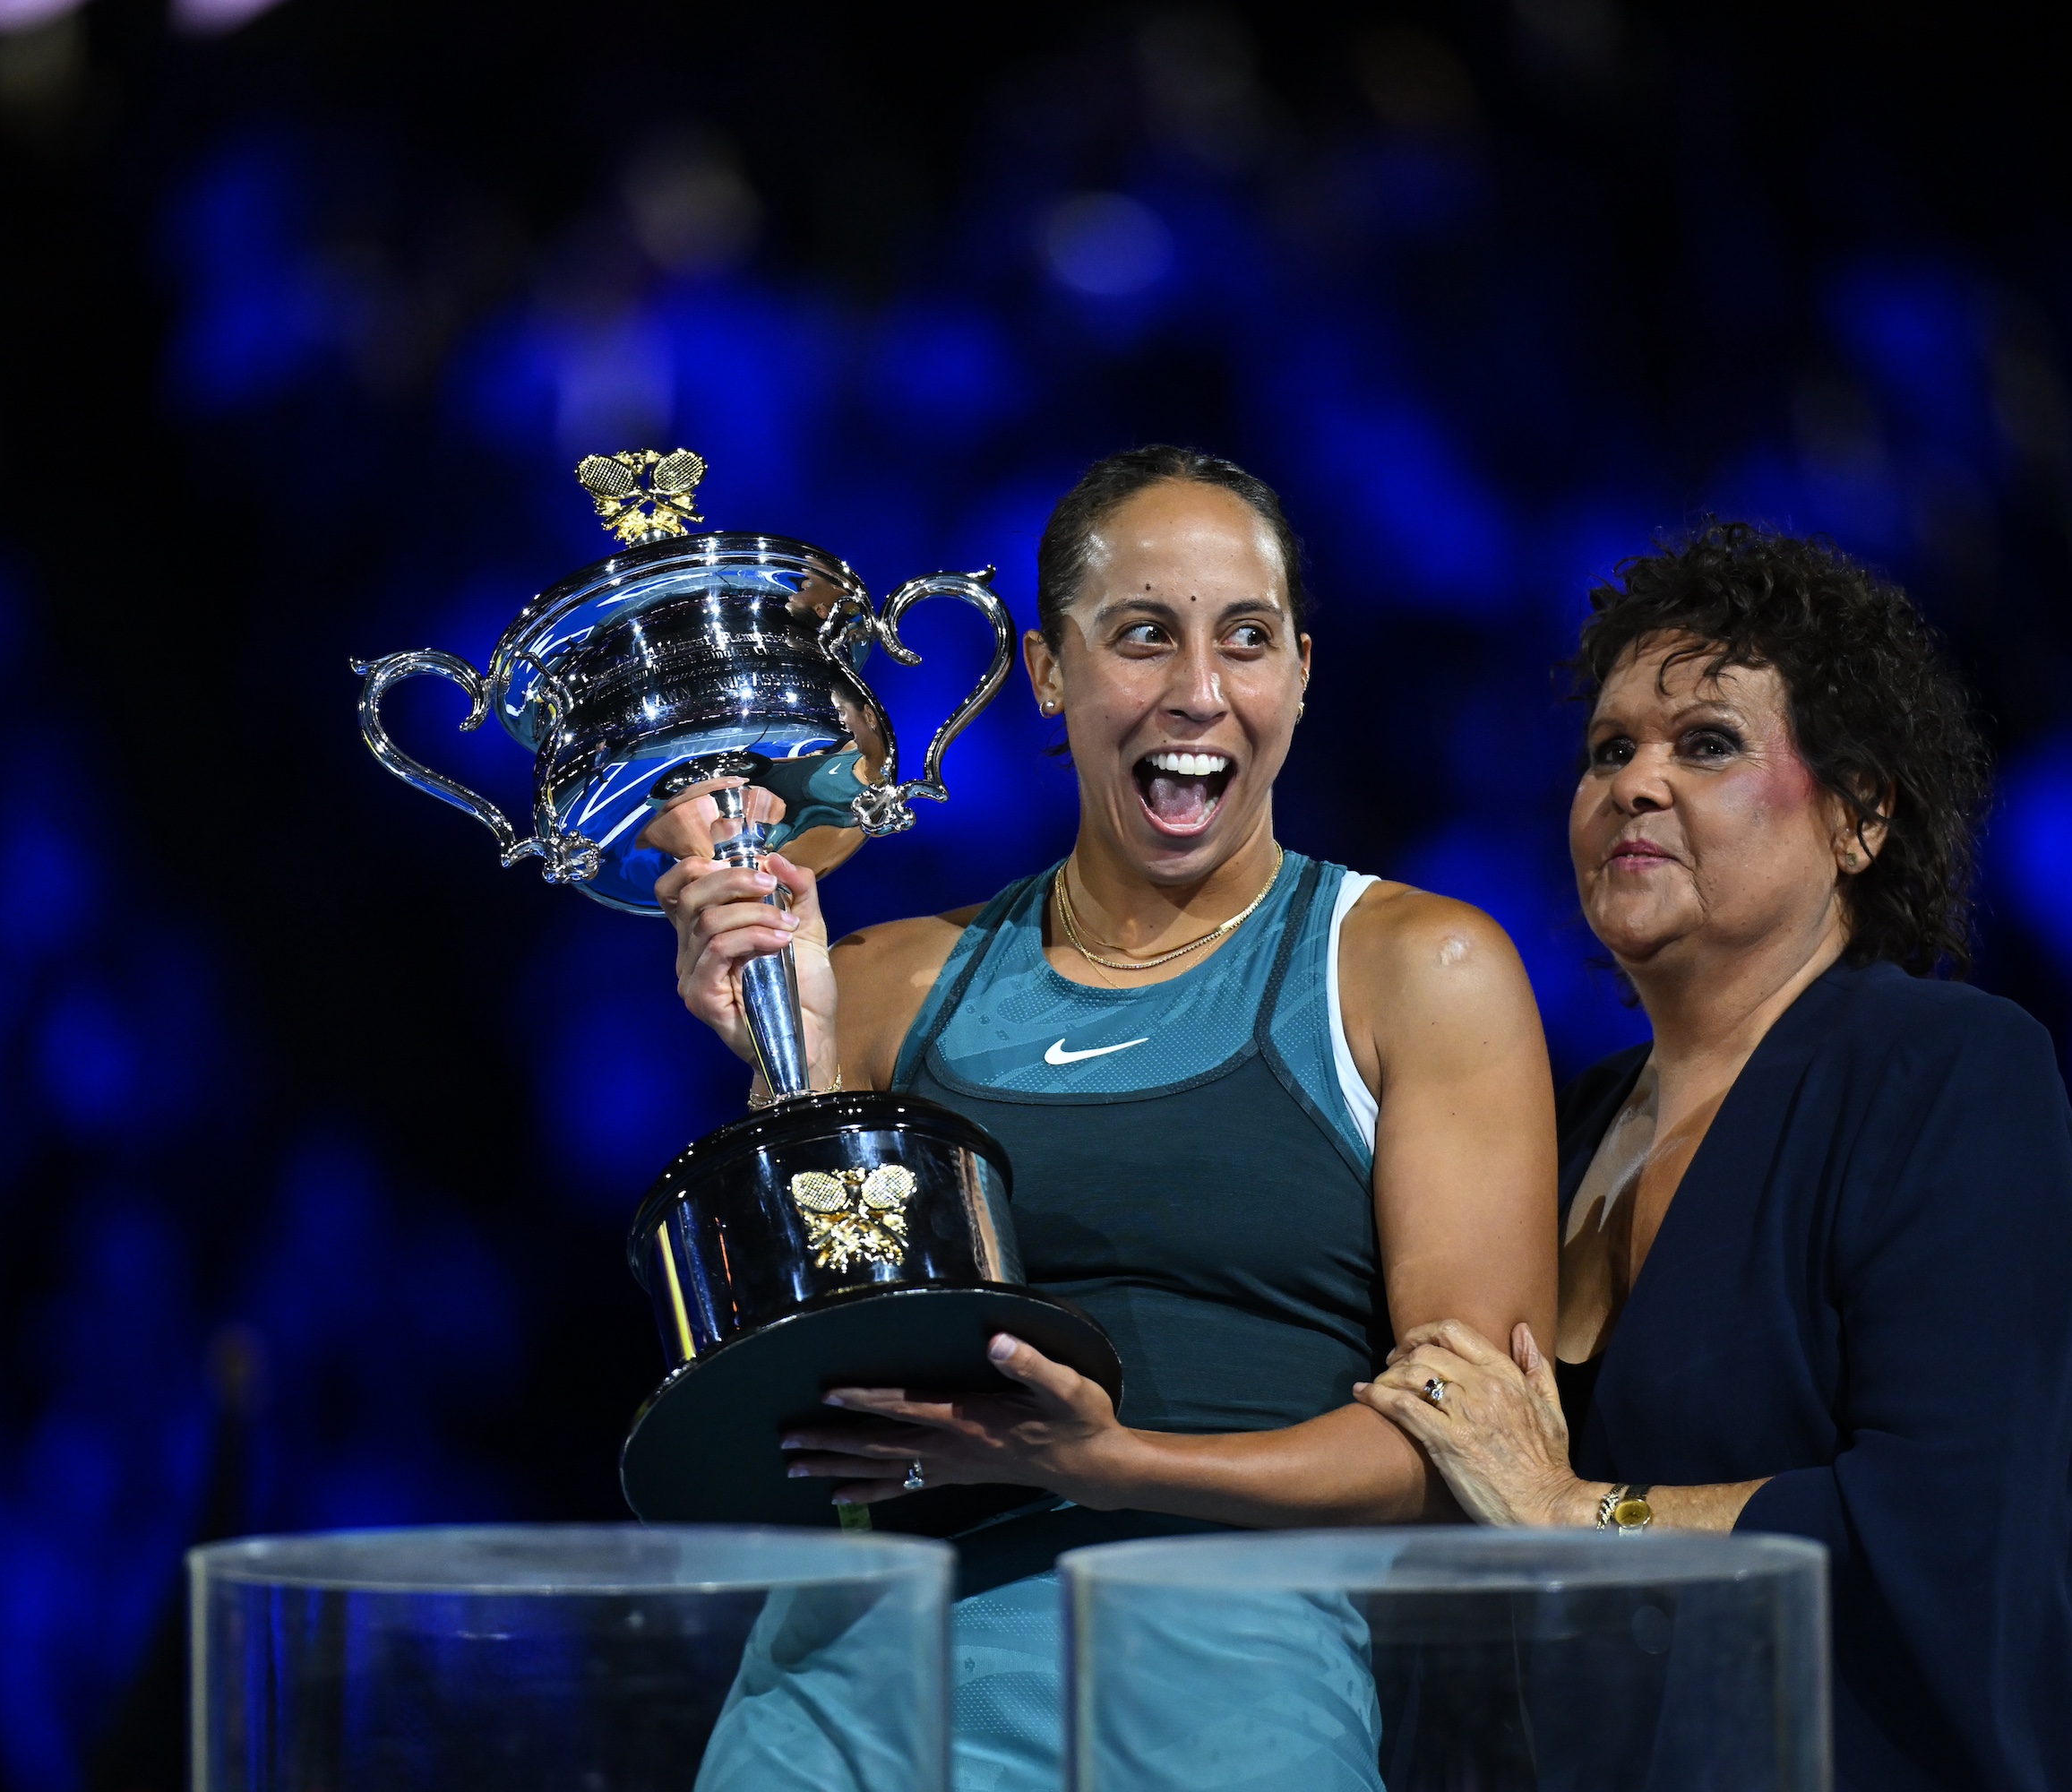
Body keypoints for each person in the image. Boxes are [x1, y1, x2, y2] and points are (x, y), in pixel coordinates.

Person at [651, 445, 1560, 1790]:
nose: (1198, 692)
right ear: (1046, 673)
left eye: (1246, 640)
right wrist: (785, 1059)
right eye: (1142, 636)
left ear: (1303, 674)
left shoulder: (1415, 969)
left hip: (1224, 1695)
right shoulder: (893, 979)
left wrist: (1112, 1463)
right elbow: (812, 1383)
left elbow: (1466, 1455)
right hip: (847, 1700)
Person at [1356, 522, 2072, 1791]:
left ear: (1860, 816)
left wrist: (1574, 1511)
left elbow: (1950, 1515)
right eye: (1608, 751)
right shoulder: (1568, 1124)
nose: (1633, 785)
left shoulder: (1947, 1070)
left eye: (1706, 743)